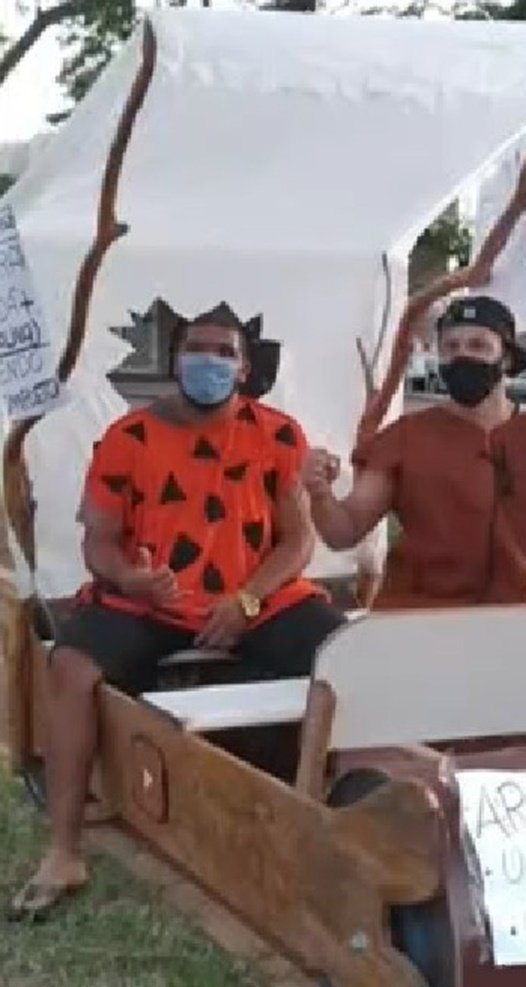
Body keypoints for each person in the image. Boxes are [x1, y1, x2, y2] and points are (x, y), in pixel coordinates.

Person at [8, 303, 344, 921]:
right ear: (174, 361)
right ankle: (63, 849)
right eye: (196, 348)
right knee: (71, 667)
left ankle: (337, 814)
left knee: (343, 657)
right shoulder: (127, 439)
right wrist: (133, 578)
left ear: (244, 370)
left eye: (224, 352)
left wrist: (246, 600)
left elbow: (297, 542)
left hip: (254, 600)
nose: (208, 361)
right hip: (150, 602)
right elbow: (98, 543)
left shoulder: (277, 433)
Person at [303, 295, 526, 609]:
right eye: (451, 347)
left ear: (505, 357)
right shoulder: (405, 437)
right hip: (425, 616)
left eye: (478, 345)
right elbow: (343, 531)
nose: (463, 355)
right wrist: (319, 493)